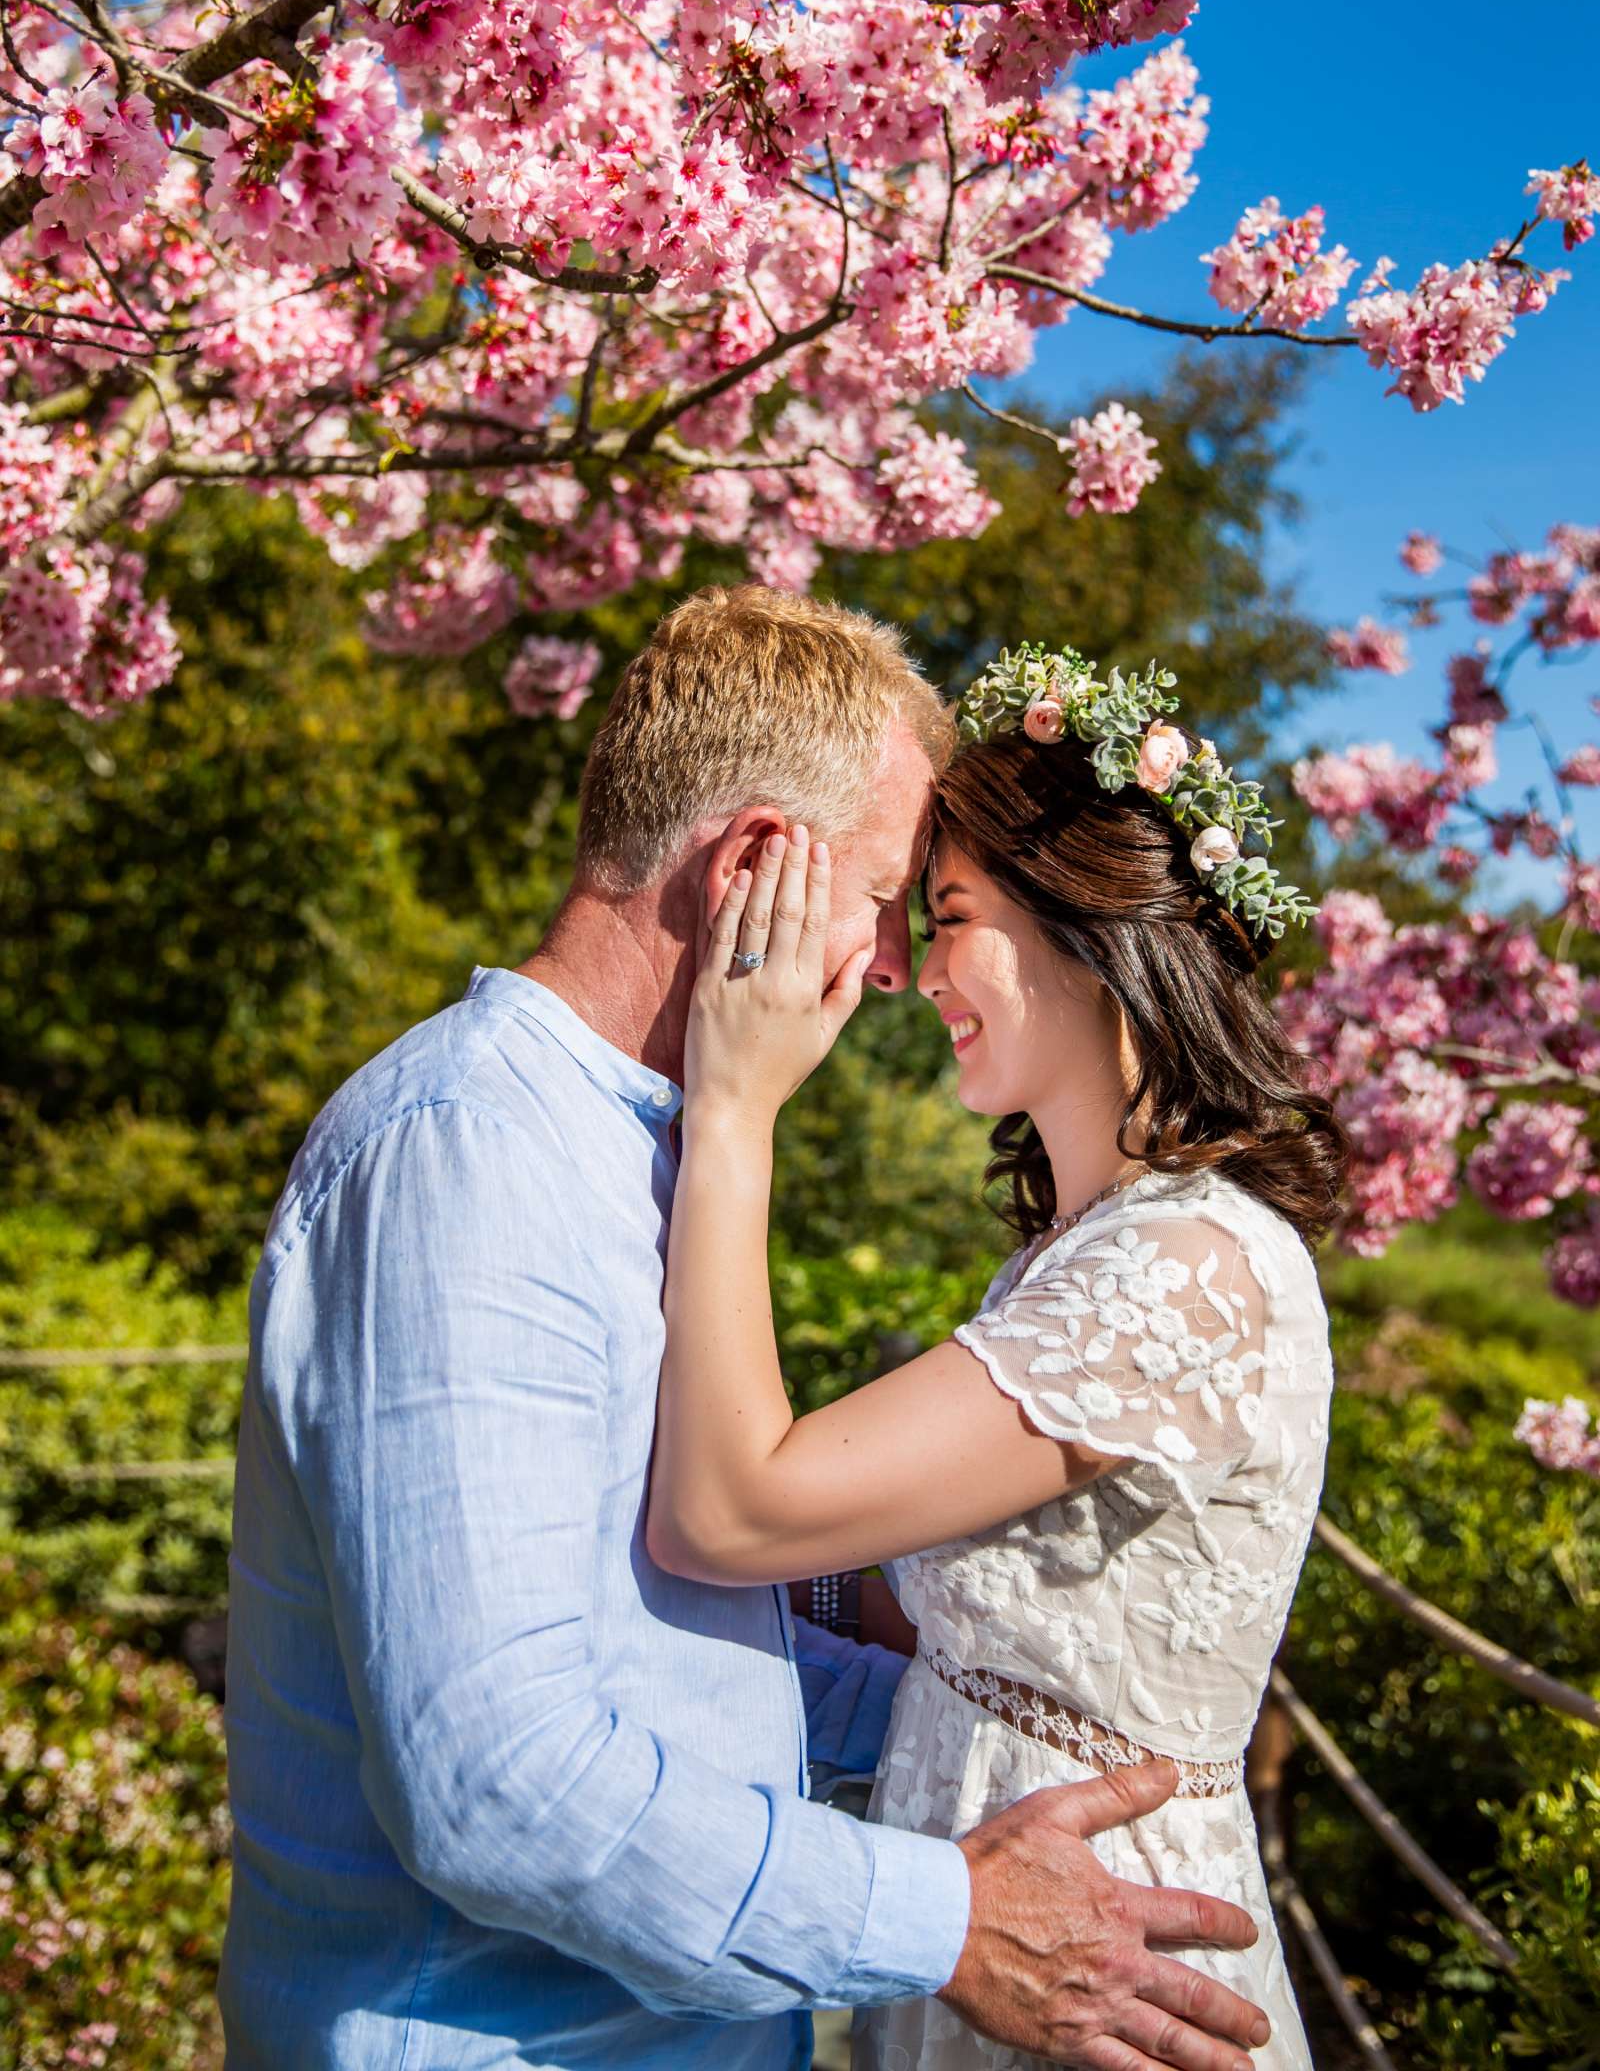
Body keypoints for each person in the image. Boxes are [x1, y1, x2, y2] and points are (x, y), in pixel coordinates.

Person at [219, 591, 1272, 2070]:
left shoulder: (641, 1156)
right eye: (890, 896)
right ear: (755, 867)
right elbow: (501, 1783)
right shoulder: (467, 1159)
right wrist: (946, 1920)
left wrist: (994, 1708)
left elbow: (675, 1652)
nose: (896, 964)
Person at [647, 640, 1346, 2071]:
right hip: (992, 1934)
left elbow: (734, 1509)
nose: (913, 972)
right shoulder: (1072, 1260)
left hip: (1108, 1962)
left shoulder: (1184, 1269)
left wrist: (734, 1107)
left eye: (951, 917)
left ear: (1087, 930)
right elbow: (933, 1608)